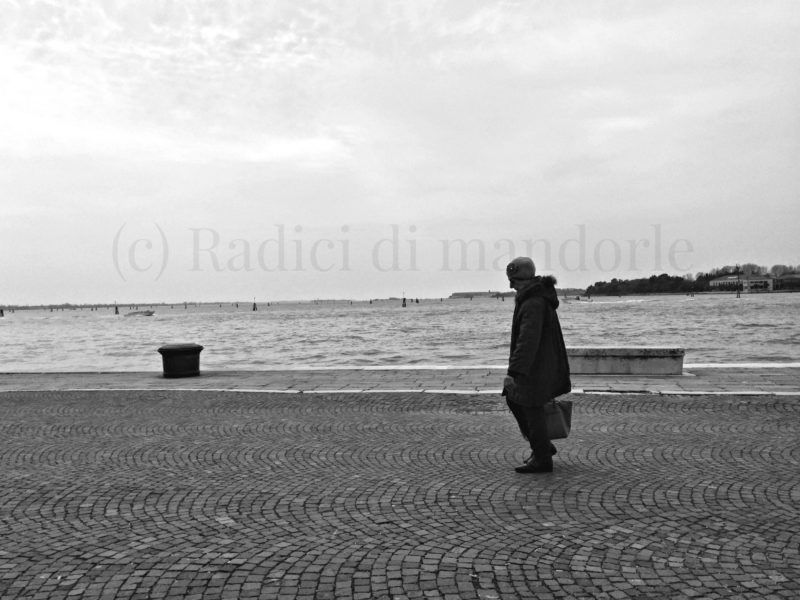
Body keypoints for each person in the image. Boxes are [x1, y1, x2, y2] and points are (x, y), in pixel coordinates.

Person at [502, 257, 571, 473]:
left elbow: (527, 341)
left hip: (535, 367)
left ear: (524, 279)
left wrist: (514, 372)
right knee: (520, 402)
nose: (511, 285)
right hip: (541, 364)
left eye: (513, 280)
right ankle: (542, 447)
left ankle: (542, 458)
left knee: (529, 406)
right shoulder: (534, 298)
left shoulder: (533, 302)